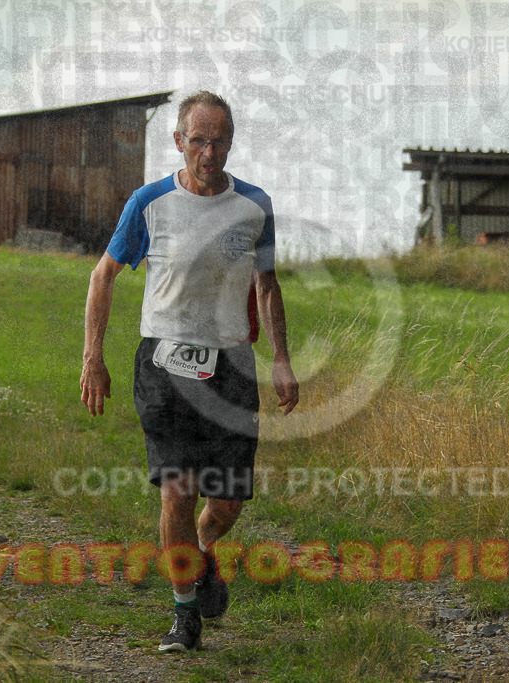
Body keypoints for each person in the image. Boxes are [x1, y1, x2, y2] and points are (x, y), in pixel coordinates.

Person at [79, 91, 299, 653]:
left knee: (225, 504)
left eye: (218, 141)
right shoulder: (150, 202)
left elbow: (267, 285)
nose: (208, 152)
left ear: (231, 142)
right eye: (197, 140)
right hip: (165, 364)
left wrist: (281, 359)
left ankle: (202, 550)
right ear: (179, 140)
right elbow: (103, 276)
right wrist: (92, 357)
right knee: (176, 490)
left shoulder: (255, 206)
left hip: (232, 367)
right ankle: (183, 613)